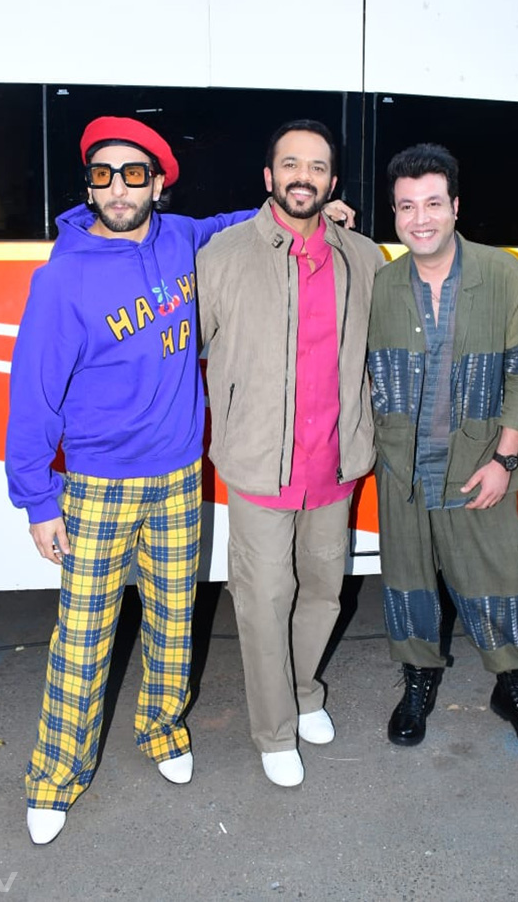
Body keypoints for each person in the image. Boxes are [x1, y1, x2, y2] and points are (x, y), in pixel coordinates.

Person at [6, 115, 354, 844]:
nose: (119, 188)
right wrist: (39, 499)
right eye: (103, 174)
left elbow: (252, 219)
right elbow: (32, 395)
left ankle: (163, 731)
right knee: (83, 636)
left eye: (135, 174)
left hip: (177, 479)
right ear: (89, 184)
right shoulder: (62, 276)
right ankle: (53, 777)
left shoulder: (183, 240)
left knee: (173, 621)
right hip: (97, 485)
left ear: (158, 183)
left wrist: (324, 209)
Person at [197, 119, 384, 787]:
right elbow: (190, 352)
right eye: (289, 163)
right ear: (269, 177)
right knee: (263, 598)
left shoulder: (363, 257)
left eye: (316, 166)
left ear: (332, 182)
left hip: (334, 464)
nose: (303, 175)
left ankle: (304, 692)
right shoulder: (221, 255)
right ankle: (274, 730)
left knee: (324, 594)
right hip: (258, 467)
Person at [367, 142, 518, 757]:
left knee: (497, 581)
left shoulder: (502, 274)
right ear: (394, 215)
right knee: (407, 582)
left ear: (455, 206)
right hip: (402, 469)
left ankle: (515, 686)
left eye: (431, 203)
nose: (419, 218)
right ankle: (420, 679)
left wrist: (505, 459)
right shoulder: (381, 285)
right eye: (405, 207)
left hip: (477, 464)